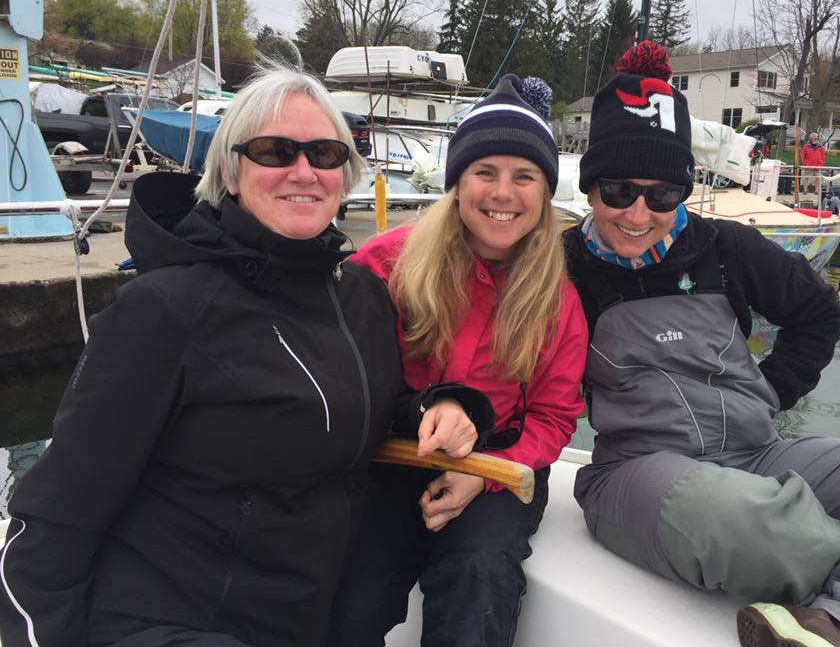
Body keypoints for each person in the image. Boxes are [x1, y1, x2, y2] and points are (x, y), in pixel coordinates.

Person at [0, 68, 485, 647]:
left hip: (304, 615)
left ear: (344, 176)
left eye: (324, 154)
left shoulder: (357, 295)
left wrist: (444, 406)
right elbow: (60, 508)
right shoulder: (164, 309)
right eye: (275, 151)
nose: (303, 171)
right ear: (231, 171)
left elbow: (361, 405)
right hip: (170, 620)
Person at [563, 41, 840, 647]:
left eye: (664, 194)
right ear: (591, 188)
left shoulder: (727, 248)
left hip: (759, 453)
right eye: (619, 190)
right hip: (636, 473)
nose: (639, 213)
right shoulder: (558, 269)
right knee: (755, 526)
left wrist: (770, 392)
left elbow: (821, 315)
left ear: (684, 193)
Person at [329, 75, 588, 647]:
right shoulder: (384, 266)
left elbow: (553, 418)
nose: (504, 193)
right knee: (350, 598)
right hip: (391, 457)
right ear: (457, 182)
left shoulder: (558, 300)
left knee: (478, 580)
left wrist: (482, 479)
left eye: (524, 177)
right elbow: (347, 377)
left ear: (545, 192)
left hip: (499, 465)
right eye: (485, 173)